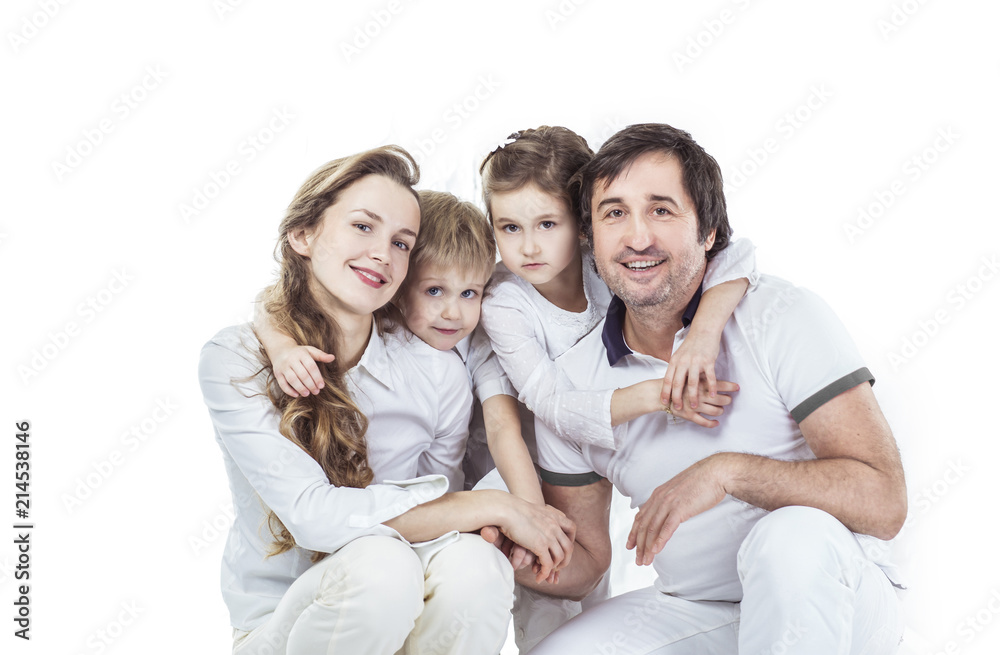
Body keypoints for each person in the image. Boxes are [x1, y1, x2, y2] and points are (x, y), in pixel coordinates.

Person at [515, 123, 907, 655]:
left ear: (708, 233)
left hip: (840, 599)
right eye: (614, 213)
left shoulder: (781, 317)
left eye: (661, 209)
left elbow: (884, 501)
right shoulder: (572, 385)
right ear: (589, 238)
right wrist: (519, 555)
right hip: (697, 609)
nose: (637, 237)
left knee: (790, 539)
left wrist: (729, 473)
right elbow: (586, 562)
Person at [198, 146, 575, 655]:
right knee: (382, 566)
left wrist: (494, 514)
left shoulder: (436, 364)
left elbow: (450, 503)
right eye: (363, 227)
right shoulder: (238, 359)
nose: (382, 253)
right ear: (303, 234)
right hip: (287, 620)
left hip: (403, 599)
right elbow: (315, 518)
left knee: (477, 568)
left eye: (401, 242)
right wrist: (493, 505)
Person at [476, 126, 758, 652]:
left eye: (547, 224)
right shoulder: (504, 302)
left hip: (600, 452)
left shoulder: (606, 264)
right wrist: (663, 392)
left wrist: (702, 336)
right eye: (509, 228)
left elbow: (736, 257)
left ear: (583, 226)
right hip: (531, 465)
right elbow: (549, 404)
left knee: (598, 600)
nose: (529, 246)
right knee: (547, 606)